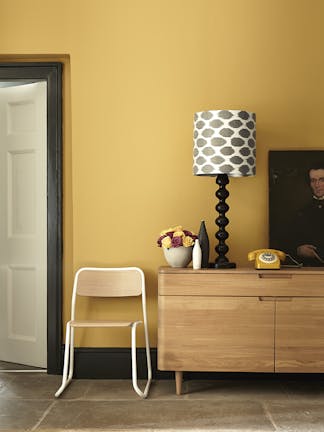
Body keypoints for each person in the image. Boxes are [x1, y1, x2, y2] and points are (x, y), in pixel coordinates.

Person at [295, 163, 324, 266]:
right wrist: (298, 250)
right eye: (313, 180)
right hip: (307, 269)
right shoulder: (302, 211)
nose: (317, 185)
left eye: (321, 180)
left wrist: (316, 254)